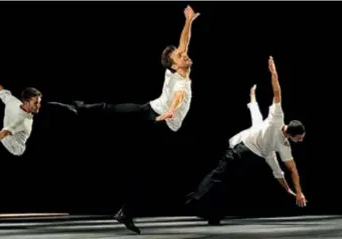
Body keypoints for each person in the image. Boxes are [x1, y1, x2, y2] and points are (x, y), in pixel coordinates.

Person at [47, 5, 200, 234]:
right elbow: (178, 96)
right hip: (155, 115)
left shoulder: (179, 70)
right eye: (180, 55)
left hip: (161, 125)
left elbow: (184, 41)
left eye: (182, 52)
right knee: (114, 110)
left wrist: (188, 21)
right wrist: (171, 110)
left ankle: (126, 212)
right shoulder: (179, 80)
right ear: (174, 65)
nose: (184, 53)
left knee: (148, 173)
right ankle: (79, 109)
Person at [185, 56, 308, 226]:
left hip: (241, 151)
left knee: (217, 176)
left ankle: (196, 202)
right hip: (249, 159)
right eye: (299, 139)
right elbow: (287, 171)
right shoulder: (279, 145)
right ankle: (213, 214)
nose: (300, 142)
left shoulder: (276, 120)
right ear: (293, 135)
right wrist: (296, 191)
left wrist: (273, 72)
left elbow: (276, 94)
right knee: (225, 182)